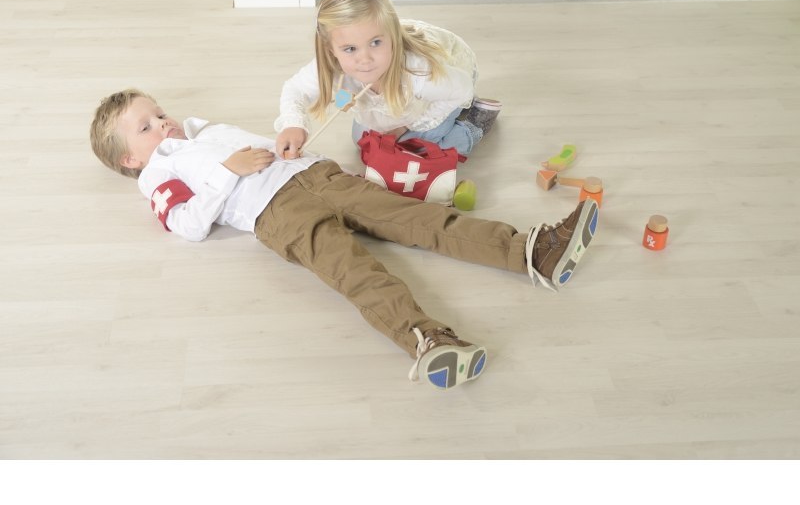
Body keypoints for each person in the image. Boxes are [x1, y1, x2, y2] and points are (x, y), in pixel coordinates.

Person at [90, 89, 600, 390]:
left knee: (421, 219)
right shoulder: (156, 175)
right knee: (356, 272)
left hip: (318, 175)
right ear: (130, 159)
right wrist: (229, 171)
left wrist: (290, 144)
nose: (163, 123)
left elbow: (267, 146)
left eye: (159, 113)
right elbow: (189, 224)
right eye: (146, 127)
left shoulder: (201, 130)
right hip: (278, 213)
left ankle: (534, 251)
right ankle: (428, 341)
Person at [274, 0, 501, 160]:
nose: (365, 59)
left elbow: (461, 89)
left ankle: (473, 121)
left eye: (375, 43)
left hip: (451, 77)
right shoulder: (332, 65)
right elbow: (295, 89)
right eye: (350, 49)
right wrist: (293, 125)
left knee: (423, 146)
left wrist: (408, 126)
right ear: (331, 48)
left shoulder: (418, 72)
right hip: (403, 96)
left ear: (392, 36)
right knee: (362, 141)